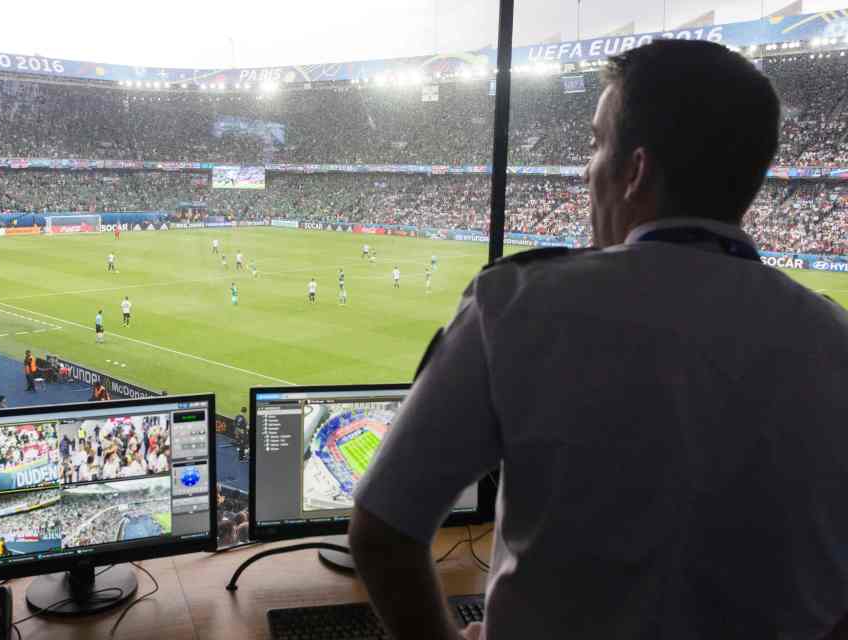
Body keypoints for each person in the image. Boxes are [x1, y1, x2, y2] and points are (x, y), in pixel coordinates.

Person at [349, 41, 848, 640]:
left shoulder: (517, 304)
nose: (585, 170)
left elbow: (382, 529)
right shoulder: (833, 338)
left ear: (634, 172)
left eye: (593, 145)